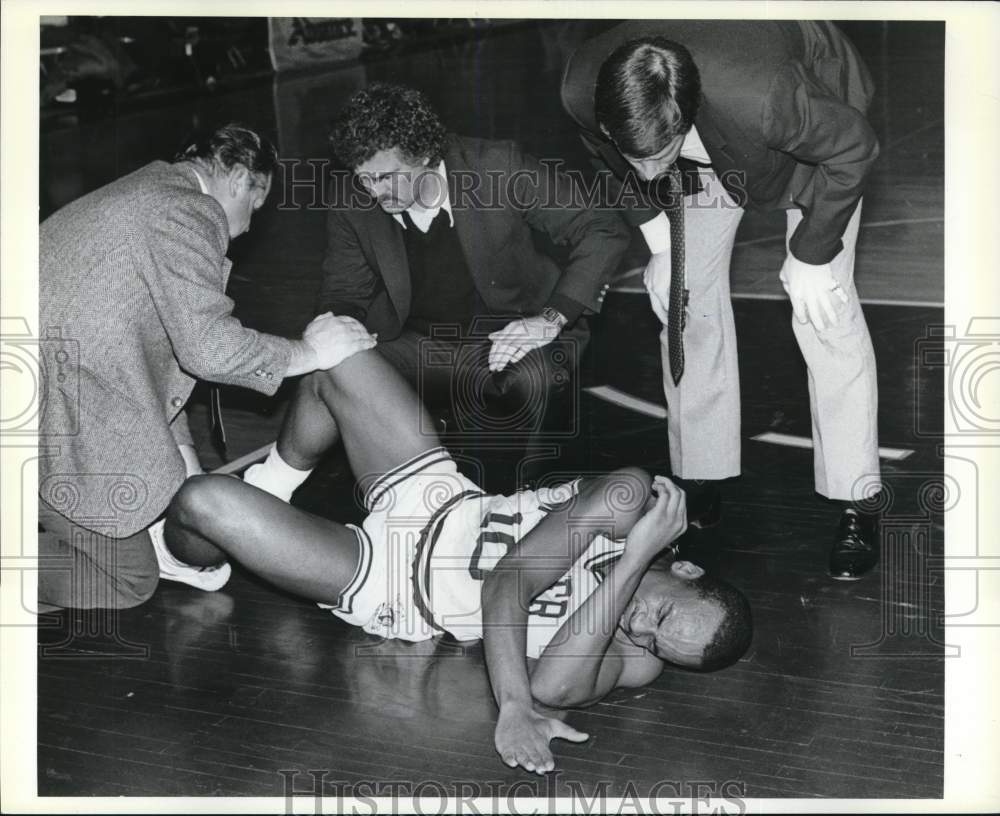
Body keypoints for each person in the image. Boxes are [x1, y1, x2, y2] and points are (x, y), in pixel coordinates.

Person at [163, 332, 753, 774]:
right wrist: (512, 705)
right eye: (664, 615)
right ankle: (273, 488)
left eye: (655, 642)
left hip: (396, 581)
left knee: (201, 502)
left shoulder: (636, 657)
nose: (642, 628)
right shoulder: (630, 496)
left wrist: (628, 572)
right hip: (442, 499)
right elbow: (510, 580)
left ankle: (197, 562)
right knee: (334, 352)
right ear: (686, 568)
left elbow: (554, 687)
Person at [560, 21, 884, 579]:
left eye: (657, 155)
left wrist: (811, 253)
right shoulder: (580, 89)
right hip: (713, 130)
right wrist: (660, 240)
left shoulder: (769, 99)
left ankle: (856, 496)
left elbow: (854, 148)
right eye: (633, 155)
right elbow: (612, 161)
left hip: (816, 132)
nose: (645, 173)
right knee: (683, 303)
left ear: (685, 121)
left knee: (824, 311)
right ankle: (702, 469)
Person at [38, 123, 377, 609]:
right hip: (44, 421)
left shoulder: (145, 190)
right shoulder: (188, 211)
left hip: (52, 389)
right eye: (256, 206)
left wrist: (186, 478)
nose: (248, 226)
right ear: (239, 179)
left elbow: (160, 365)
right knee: (128, 580)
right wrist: (311, 352)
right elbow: (210, 351)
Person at [315, 83, 630, 478]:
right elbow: (344, 292)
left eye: (387, 177)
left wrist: (550, 319)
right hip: (419, 342)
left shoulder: (498, 167)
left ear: (426, 154)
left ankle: (524, 497)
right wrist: (334, 326)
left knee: (538, 380)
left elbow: (601, 227)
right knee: (329, 365)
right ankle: (286, 481)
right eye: (364, 179)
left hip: (510, 329)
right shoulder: (352, 200)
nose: (375, 192)